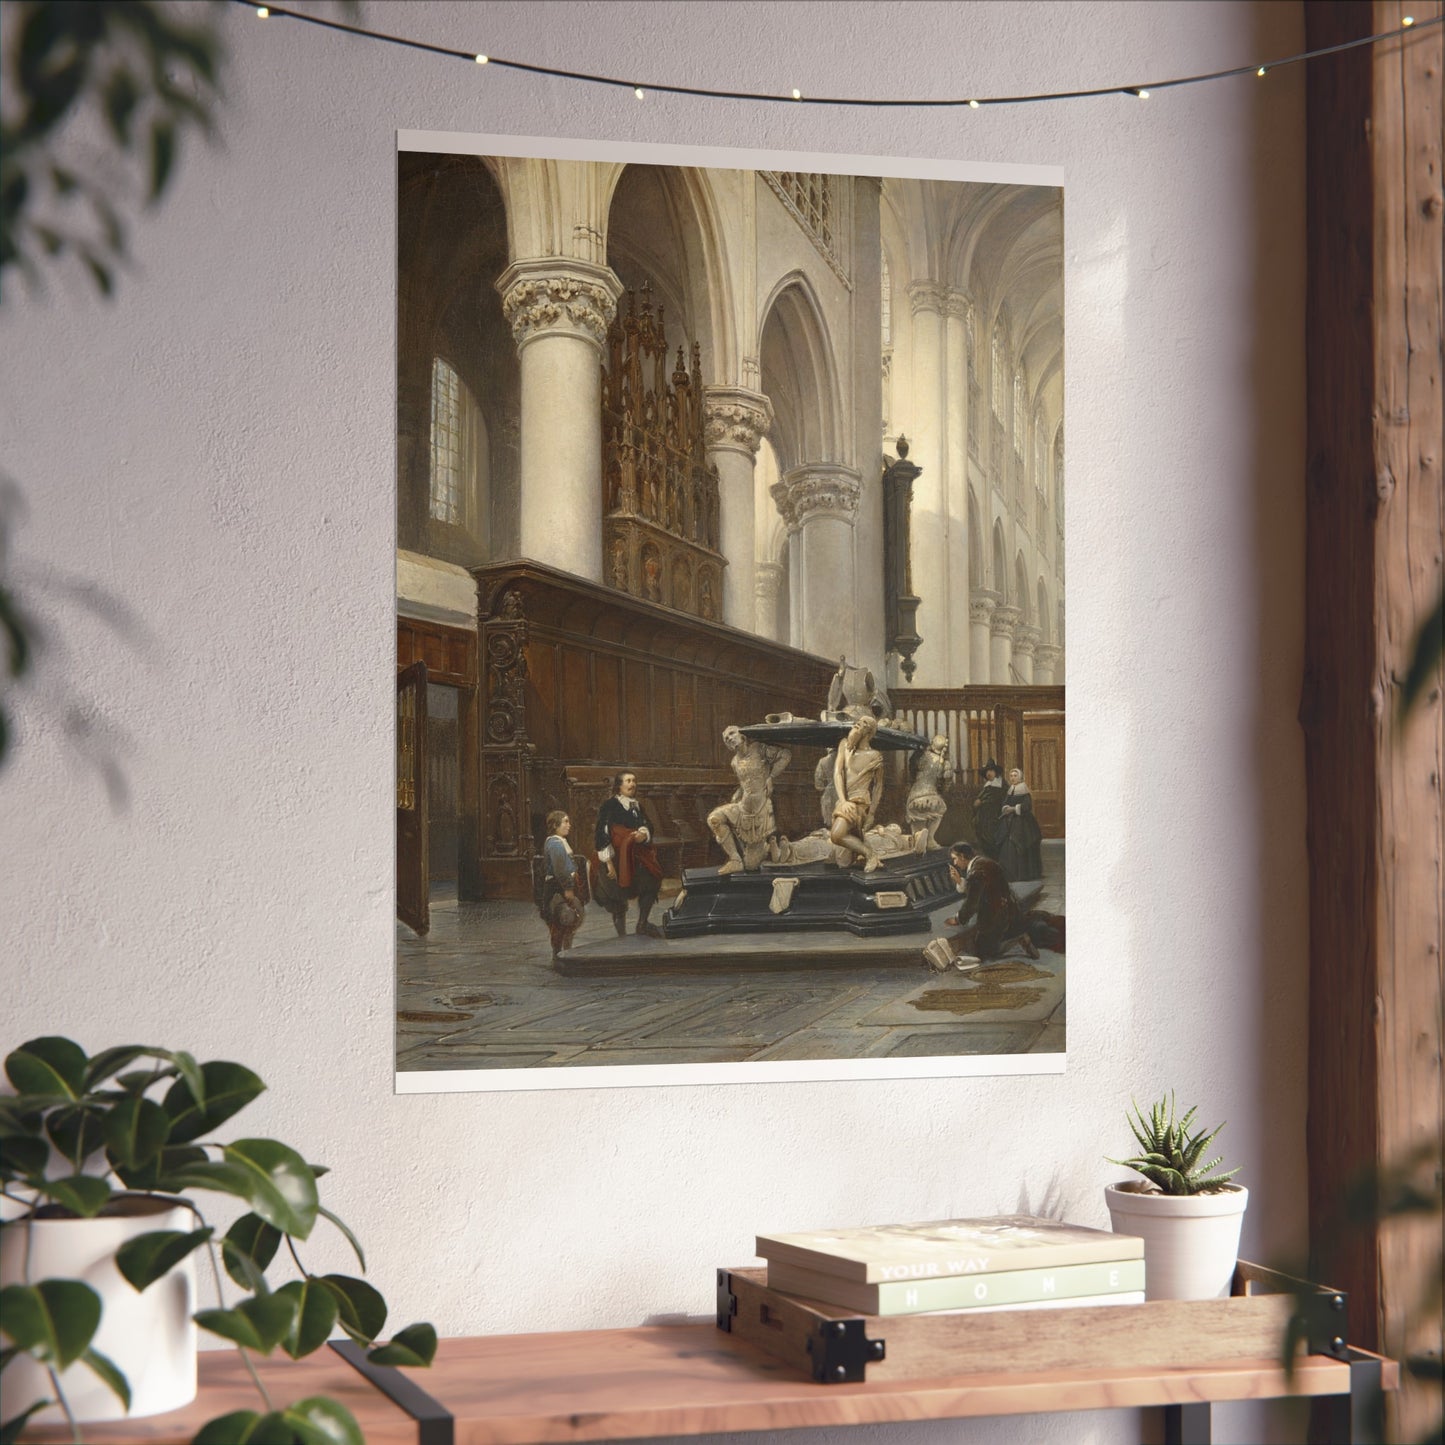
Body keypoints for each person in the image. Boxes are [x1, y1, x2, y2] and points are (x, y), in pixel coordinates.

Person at [937, 842, 1065, 963]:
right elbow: (981, 889)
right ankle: (1016, 933)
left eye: (955, 858)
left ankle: (1016, 939)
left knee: (984, 952)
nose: (955, 863)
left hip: (994, 918)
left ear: (962, 856)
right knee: (984, 943)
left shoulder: (976, 872)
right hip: (1009, 911)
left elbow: (972, 902)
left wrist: (958, 919)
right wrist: (960, 881)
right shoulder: (986, 863)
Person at [707, 725, 791, 874]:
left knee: (751, 865)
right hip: (743, 807)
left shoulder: (759, 749)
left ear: (742, 736)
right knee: (714, 818)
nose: (730, 738)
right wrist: (738, 792)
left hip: (760, 810)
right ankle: (735, 859)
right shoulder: (734, 762)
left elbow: (786, 755)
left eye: (732, 734)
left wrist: (771, 777)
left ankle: (769, 848)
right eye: (726, 738)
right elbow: (745, 782)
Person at [591, 769, 663, 938]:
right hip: (615, 858)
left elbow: (648, 824)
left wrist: (643, 834)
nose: (632, 784)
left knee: (651, 881)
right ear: (619, 786)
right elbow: (602, 832)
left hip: (635, 855)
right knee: (617, 897)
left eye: (634, 781)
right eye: (628, 781)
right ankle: (621, 935)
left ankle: (642, 924)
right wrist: (608, 862)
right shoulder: (610, 805)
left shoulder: (636, 805)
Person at [830, 715, 885, 871]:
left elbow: (878, 786)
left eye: (861, 724)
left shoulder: (875, 756)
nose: (856, 725)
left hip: (859, 804)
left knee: (837, 835)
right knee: (843, 863)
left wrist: (872, 813)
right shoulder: (844, 746)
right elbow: (838, 773)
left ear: (869, 731)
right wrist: (843, 801)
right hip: (844, 804)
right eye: (857, 723)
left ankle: (870, 854)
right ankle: (864, 853)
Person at [540, 810, 586, 958]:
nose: (569, 825)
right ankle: (560, 953)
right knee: (566, 917)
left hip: (562, 886)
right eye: (565, 821)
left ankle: (565, 952)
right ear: (555, 825)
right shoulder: (555, 844)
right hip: (557, 889)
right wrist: (567, 888)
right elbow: (560, 869)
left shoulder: (559, 842)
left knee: (571, 918)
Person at [906, 734, 953, 850]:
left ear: (932, 744)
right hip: (933, 799)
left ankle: (918, 841)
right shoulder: (946, 764)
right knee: (937, 813)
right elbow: (946, 786)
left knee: (917, 826)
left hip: (915, 798)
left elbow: (912, 770)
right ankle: (930, 839)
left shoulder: (921, 757)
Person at [997, 766, 1044, 881]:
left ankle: (1023, 875)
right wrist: (1005, 808)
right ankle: (1009, 874)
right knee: (1007, 845)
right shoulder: (1010, 790)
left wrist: (1013, 809)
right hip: (1008, 821)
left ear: (1020, 777)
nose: (1013, 778)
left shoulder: (1024, 790)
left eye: (1015, 776)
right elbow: (1004, 803)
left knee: (1020, 843)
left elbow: (1027, 806)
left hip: (1022, 822)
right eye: (1011, 776)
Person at [972, 758, 1005, 857]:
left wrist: (981, 802)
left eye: (991, 771)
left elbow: (997, 800)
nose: (988, 773)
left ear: (995, 772)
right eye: (987, 772)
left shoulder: (1001, 785)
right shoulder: (988, 786)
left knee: (992, 838)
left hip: (994, 816)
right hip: (984, 817)